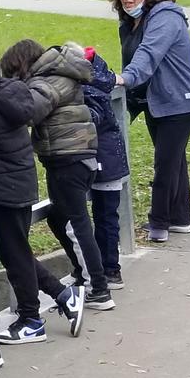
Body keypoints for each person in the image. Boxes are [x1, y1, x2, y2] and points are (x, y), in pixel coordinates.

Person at [0, 49, 85, 344]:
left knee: (15, 254)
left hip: (2, 189)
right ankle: (64, 295)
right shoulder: (12, 93)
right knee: (15, 251)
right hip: (19, 184)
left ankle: (31, 319)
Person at [1, 41, 115, 312]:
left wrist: (4, 100)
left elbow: (30, 111)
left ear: (22, 66)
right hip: (72, 156)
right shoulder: (57, 74)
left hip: (68, 158)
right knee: (59, 217)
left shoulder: (48, 81)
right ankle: (83, 273)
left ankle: (98, 288)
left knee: (76, 224)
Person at [111, 0, 190, 243]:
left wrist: (125, 78)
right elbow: (133, 59)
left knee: (165, 162)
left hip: (181, 101)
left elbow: (148, 55)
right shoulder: (130, 22)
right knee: (174, 160)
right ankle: (180, 219)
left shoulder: (165, 18)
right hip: (156, 101)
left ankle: (159, 224)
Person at [82, 47, 130, 290]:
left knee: (103, 217)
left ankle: (109, 269)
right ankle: (108, 268)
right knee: (106, 216)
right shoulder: (102, 84)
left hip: (103, 158)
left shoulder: (88, 92)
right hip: (110, 157)